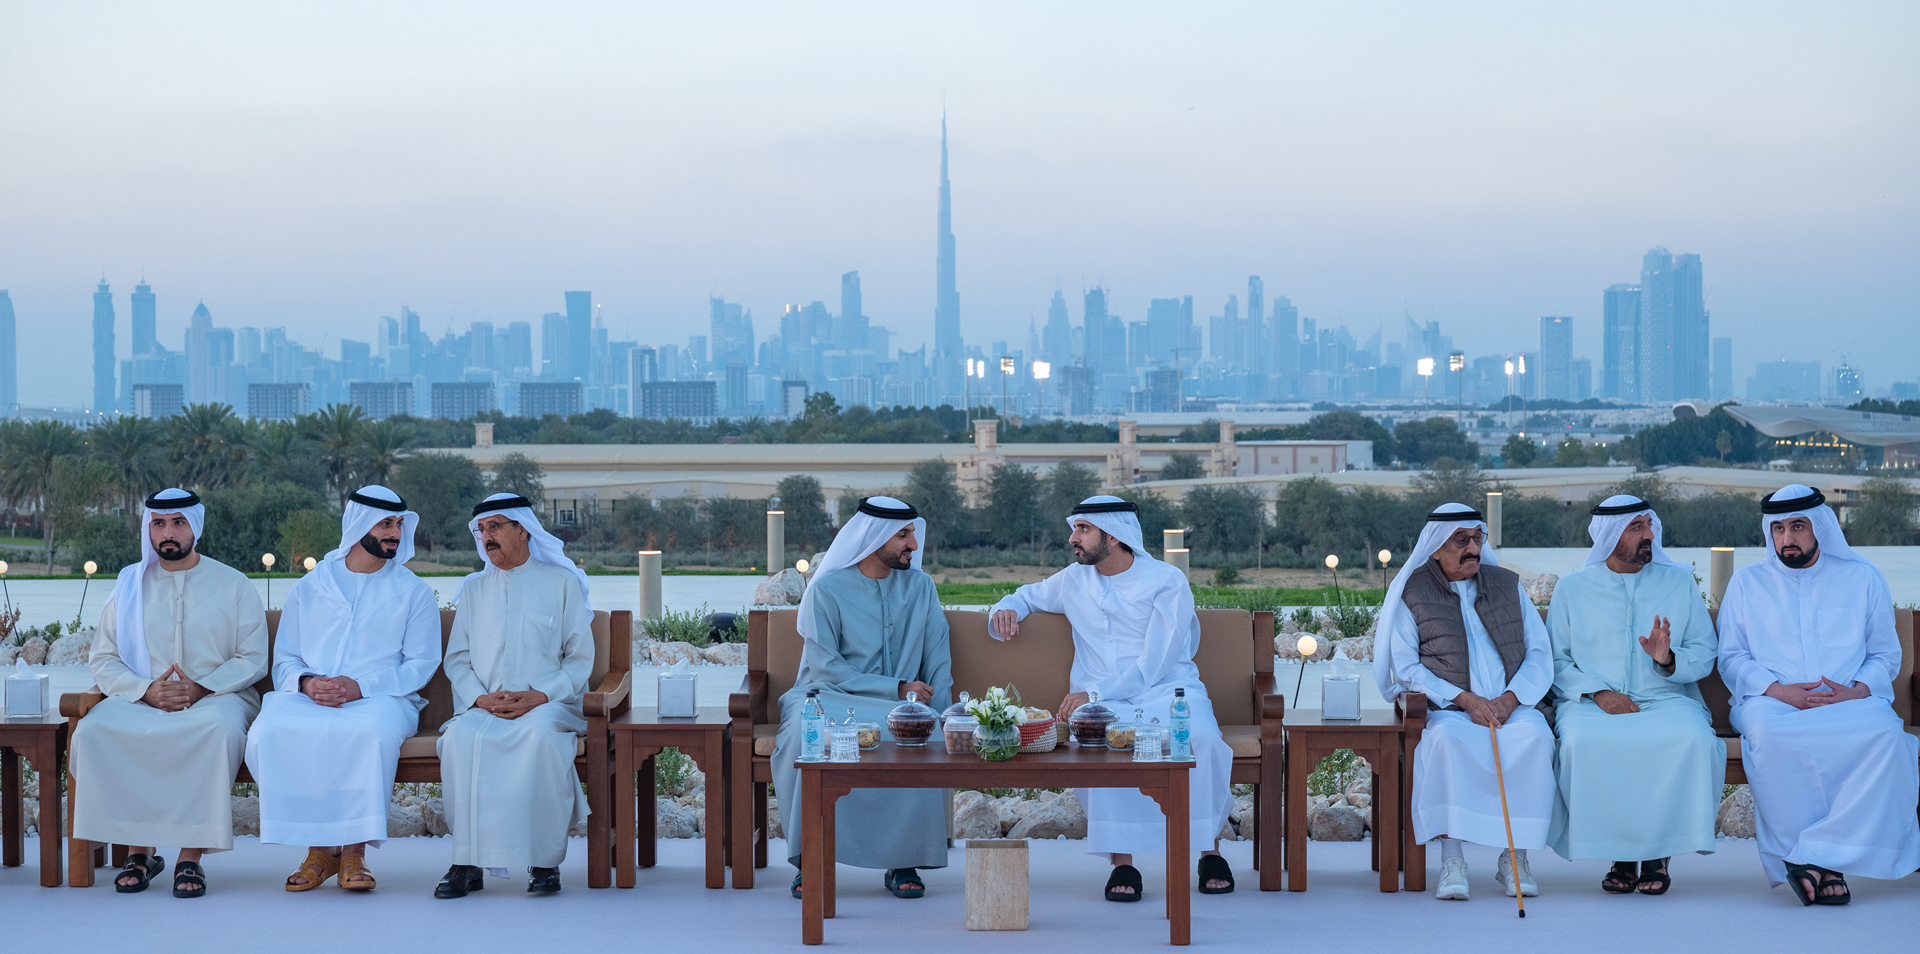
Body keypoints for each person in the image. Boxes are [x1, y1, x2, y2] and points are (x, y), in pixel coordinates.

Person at [989, 495, 1236, 901]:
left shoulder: (1166, 581)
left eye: (1083, 529)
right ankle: (1123, 862)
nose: (1073, 538)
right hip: (1104, 703)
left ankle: (1209, 851)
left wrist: (1093, 692)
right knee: (1097, 744)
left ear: (1115, 536)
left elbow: (1156, 662)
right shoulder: (1073, 579)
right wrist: (1006, 608)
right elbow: (1027, 596)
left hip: (1167, 689)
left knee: (1203, 741)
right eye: (1075, 528)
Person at [1717, 484, 1920, 905]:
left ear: (1821, 528)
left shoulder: (1861, 578)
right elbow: (1732, 658)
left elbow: (1885, 654)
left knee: (1888, 738)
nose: (1787, 538)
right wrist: (1778, 691)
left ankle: (1813, 856)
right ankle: (1820, 862)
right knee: (1769, 737)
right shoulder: (1747, 583)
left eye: (1798, 526)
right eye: (1778, 529)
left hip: (1846, 702)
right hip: (1771, 703)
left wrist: (1857, 691)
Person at [70, 489, 269, 899]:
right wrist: (145, 690)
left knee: (217, 731)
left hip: (218, 696)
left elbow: (253, 657)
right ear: (148, 530)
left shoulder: (233, 583)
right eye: (158, 524)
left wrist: (201, 687)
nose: (168, 533)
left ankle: (190, 855)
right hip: (142, 697)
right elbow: (104, 657)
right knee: (93, 731)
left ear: (195, 526)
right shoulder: (129, 585)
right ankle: (139, 850)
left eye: (178, 523)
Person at [246, 486, 441, 892]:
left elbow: (420, 665)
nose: (395, 533)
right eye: (385, 524)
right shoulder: (310, 586)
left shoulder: (413, 591)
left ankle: (353, 852)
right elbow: (286, 658)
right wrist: (308, 683)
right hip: (309, 696)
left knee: (366, 733)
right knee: (268, 732)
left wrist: (361, 687)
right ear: (358, 526)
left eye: (398, 524)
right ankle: (320, 850)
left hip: (384, 698)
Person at [773, 496, 952, 901]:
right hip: (826, 695)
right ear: (873, 539)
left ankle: (903, 859)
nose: (914, 545)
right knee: (806, 733)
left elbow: (938, 659)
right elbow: (825, 668)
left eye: (913, 534)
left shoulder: (921, 588)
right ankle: (809, 859)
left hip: (900, 704)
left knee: (921, 731)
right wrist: (896, 687)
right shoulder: (827, 590)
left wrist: (944, 712)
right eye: (903, 535)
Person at [1375, 502, 1556, 902]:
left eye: (1477, 538)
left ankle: (1515, 858)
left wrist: (1510, 699)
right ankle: (1452, 860)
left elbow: (1539, 653)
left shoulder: (1508, 586)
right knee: (1445, 742)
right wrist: (1465, 699)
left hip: (1512, 709)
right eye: (1461, 540)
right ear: (1436, 547)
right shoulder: (1412, 593)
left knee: (1535, 739)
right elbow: (1406, 667)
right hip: (1451, 710)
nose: (1472, 548)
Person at [1545, 495, 1724, 894]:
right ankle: (1621, 854)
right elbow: (1555, 661)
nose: (1649, 536)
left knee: (1692, 739)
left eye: (1649, 526)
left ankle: (1658, 854)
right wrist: (1598, 692)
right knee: (1579, 742)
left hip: (1668, 699)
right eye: (1636, 528)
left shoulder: (1678, 583)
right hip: (1592, 703)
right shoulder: (1573, 589)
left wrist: (1668, 659)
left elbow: (1704, 650)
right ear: (1609, 536)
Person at [434, 493, 596, 898]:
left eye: (495, 526)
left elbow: (579, 660)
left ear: (523, 529)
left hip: (550, 706)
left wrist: (540, 695)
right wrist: (480, 699)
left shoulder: (561, 583)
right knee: (459, 738)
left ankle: (544, 863)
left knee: (540, 738)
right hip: (486, 706)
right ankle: (466, 861)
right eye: (481, 530)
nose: (487, 536)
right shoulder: (473, 590)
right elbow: (457, 661)